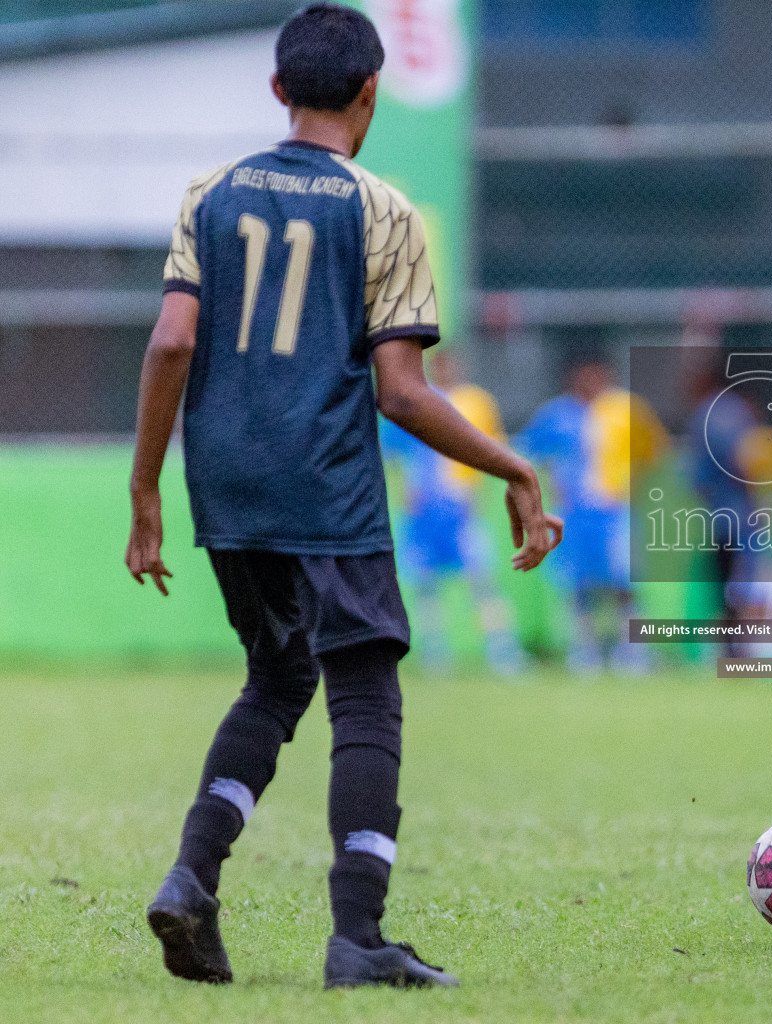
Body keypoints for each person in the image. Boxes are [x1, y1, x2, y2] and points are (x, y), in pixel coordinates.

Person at [124, 5, 561, 989]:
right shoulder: (384, 209)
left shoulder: (211, 192)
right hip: (325, 478)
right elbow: (402, 391)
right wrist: (514, 468)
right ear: (370, 93)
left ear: (279, 89)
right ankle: (358, 936)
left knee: (276, 679)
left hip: (225, 479)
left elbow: (171, 344)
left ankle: (192, 877)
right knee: (363, 689)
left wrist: (146, 485)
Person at [519, 350, 668, 673]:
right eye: (582, 373)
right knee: (577, 584)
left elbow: (655, 448)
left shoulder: (627, 409)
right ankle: (584, 652)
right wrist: (551, 481)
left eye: (595, 372)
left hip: (614, 512)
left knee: (623, 582)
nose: (589, 380)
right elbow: (529, 451)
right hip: (573, 514)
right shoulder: (557, 413)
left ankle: (632, 652)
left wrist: (632, 483)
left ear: (605, 373)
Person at [381, 350, 524, 676]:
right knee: (426, 587)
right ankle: (434, 653)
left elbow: (493, 448)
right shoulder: (414, 401)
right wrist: (407, 490)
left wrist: (475, 492)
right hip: (423, 513)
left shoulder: (477, 402)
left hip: (461, 512)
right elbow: (395, 451)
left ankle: (503, 651)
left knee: (483, 582)